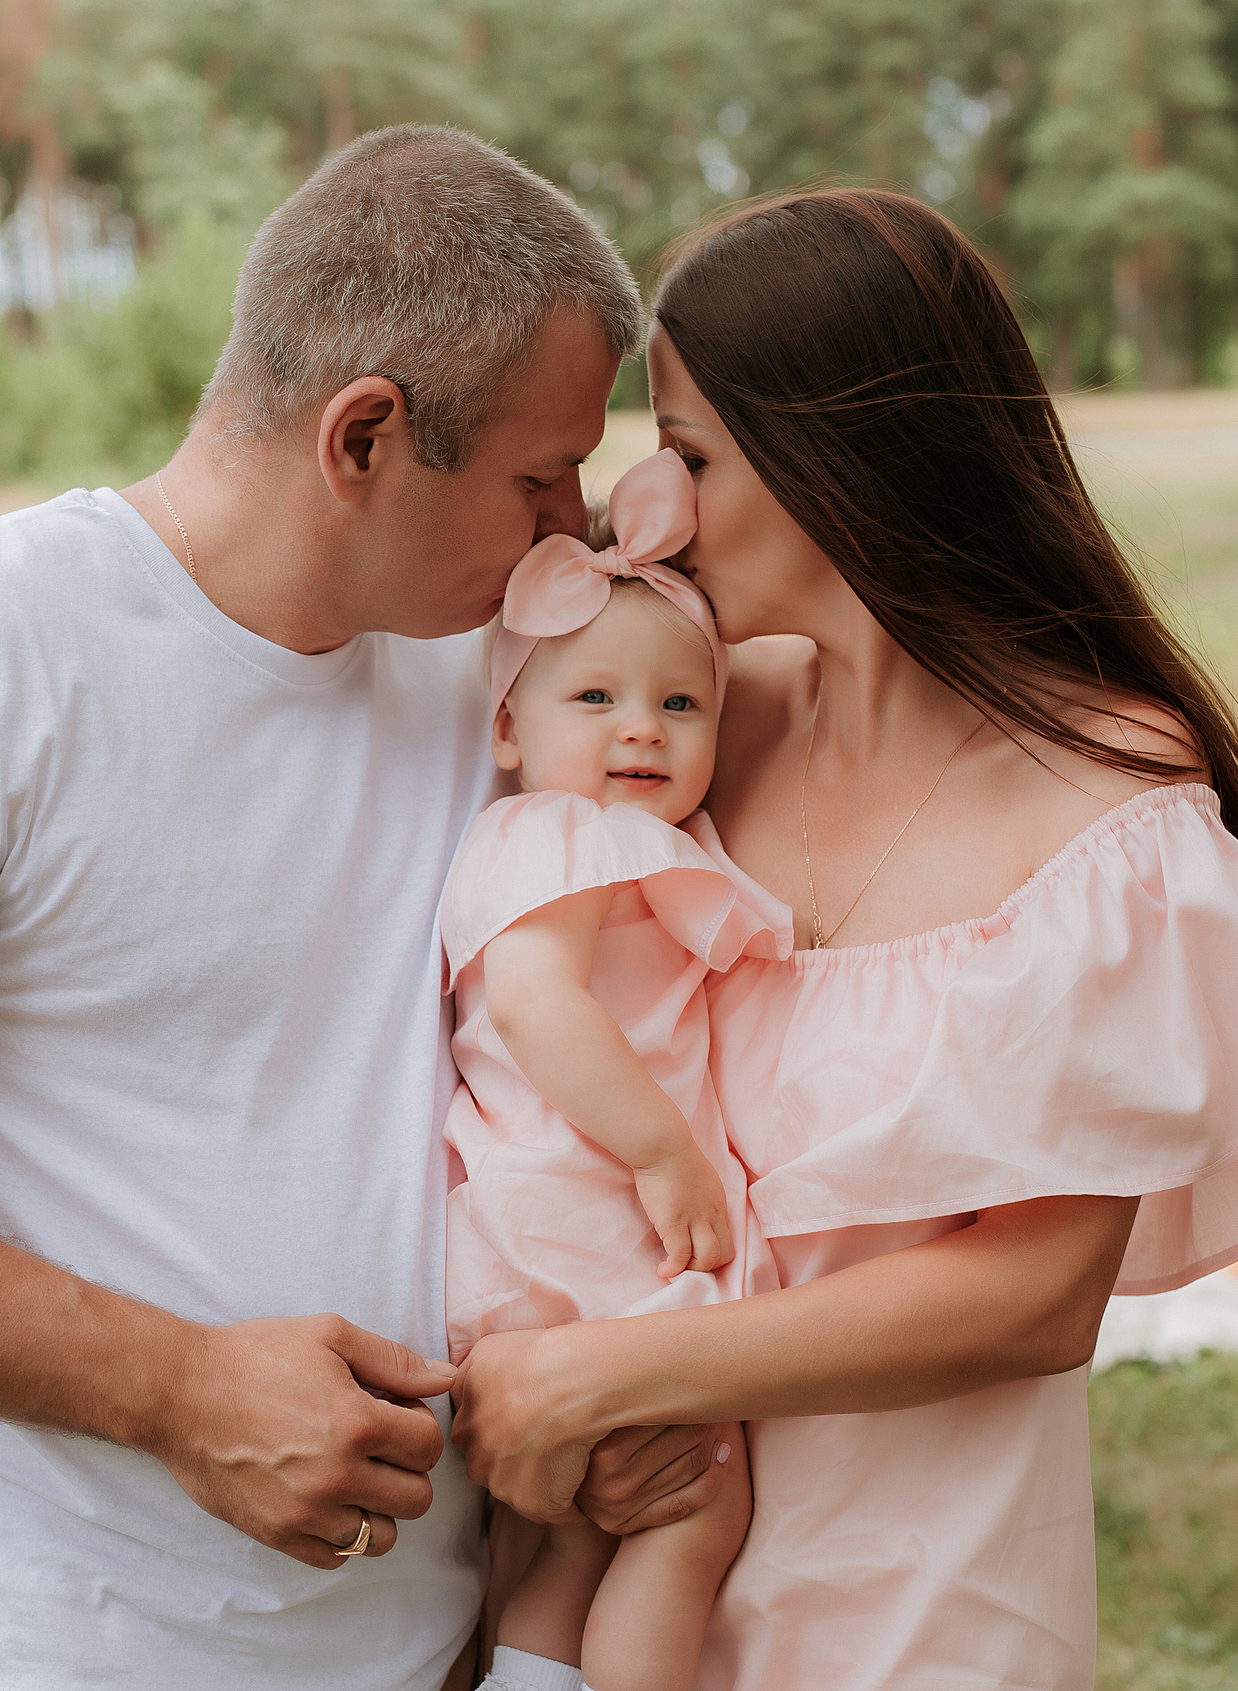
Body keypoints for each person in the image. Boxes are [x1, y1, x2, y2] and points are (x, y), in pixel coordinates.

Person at [0, 125, 724, 1691]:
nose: (575, 536)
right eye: (542, 479)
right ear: (363, 438)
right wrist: (178, 1387)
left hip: (454, 1640)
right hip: (73, 1652)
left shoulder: (497, 672)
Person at [450, 189, 1238, 1690]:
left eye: (688, 452)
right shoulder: (684, 733)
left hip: (914, 1607)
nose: (652, 505)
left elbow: (1033, 1292)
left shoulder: (1104, 801)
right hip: (616, 1569)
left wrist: (597, 1376)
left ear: (838, 458)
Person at [439, 450, 785, 1691]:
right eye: (593, 698)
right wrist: (664, 1153)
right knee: (693, 1512)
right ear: (507, 729)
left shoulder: (612, 841)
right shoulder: (556, 834)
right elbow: (536, 1002)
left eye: (679, 706)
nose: (640, 725)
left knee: (578, 1537)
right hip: (589, 1213)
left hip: (537, 1224)